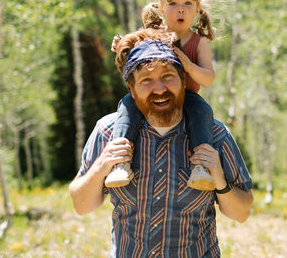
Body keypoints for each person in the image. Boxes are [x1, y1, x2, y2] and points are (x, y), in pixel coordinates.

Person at [69, 28, 253, 257]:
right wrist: (100, 168)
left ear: (182, 79)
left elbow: (242, 213)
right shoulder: (108, 132)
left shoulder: (215, 135)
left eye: (167, 76)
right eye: (146, 80)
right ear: (132, 90)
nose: (159, 89)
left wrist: (220, 180)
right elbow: (81, 206)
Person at [105, 0, 217, 191]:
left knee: (202, 111)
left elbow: (208, 77)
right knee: (128, 105)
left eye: (187, 3)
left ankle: (201, 167)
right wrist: (120, 43)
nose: (181, 9)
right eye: (173, 4)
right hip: (154, 94)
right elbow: (133, 46)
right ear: (161, 10)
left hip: (186, 95)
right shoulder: (153, 34)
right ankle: (121, 162)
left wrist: (188, 66)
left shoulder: (198, 42)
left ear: (198, 9)